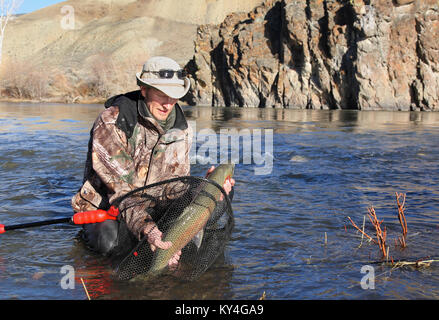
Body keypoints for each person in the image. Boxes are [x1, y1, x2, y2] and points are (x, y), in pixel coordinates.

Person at [71, 56, 235, 268]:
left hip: (153, 204)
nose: (168, 104)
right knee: (111, 246)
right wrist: (149, 229)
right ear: (144, 89)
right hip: (108, 205)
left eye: (174, 96)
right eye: (161, 95)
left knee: (216, 205)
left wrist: (201, 189)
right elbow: (121, 193)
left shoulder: (182, 129)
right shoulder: (113, 121)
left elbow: (175, 185)